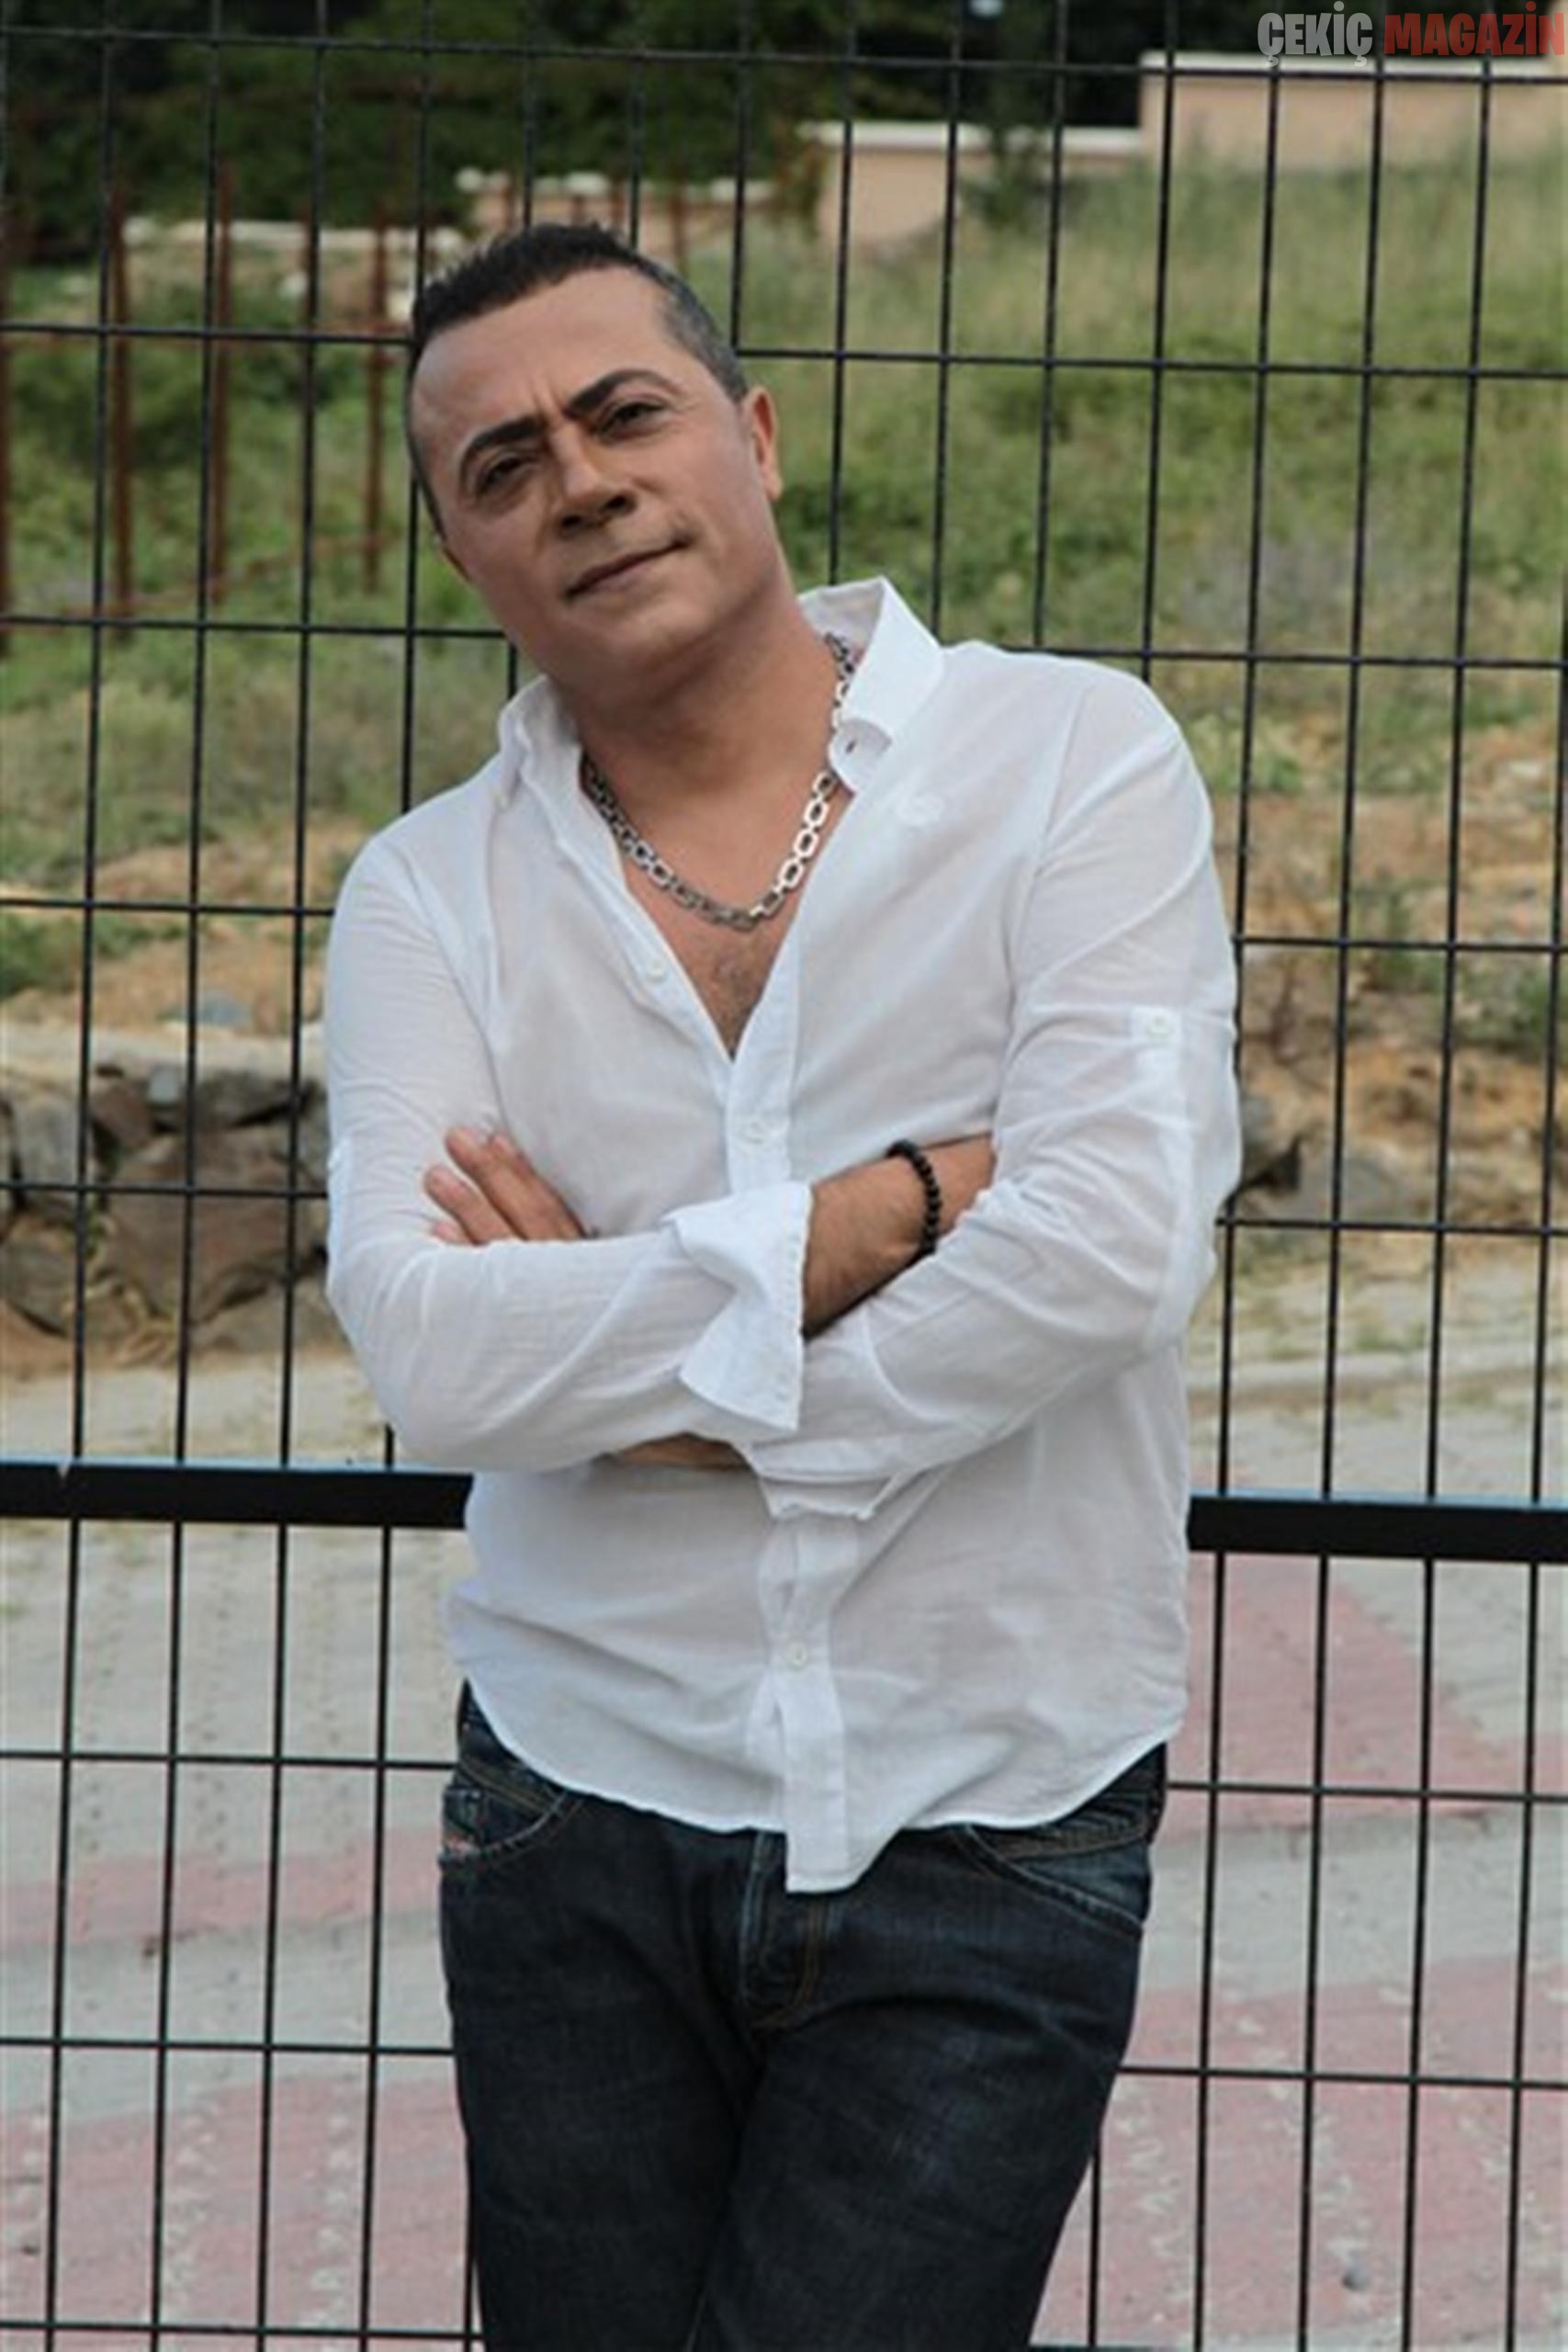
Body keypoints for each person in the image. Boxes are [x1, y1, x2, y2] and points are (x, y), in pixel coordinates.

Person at [323, 220, 1240, 2352]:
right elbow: (430, 1350)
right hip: (572, 1806)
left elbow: (1106, 1245)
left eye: (621, 414)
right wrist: (895, 1203)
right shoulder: (424, 895)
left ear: (748, 432)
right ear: (462, 553)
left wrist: (645, 1378)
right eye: (500, 466)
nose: (577, 479)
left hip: (988, 1802)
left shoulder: (1070, 763)